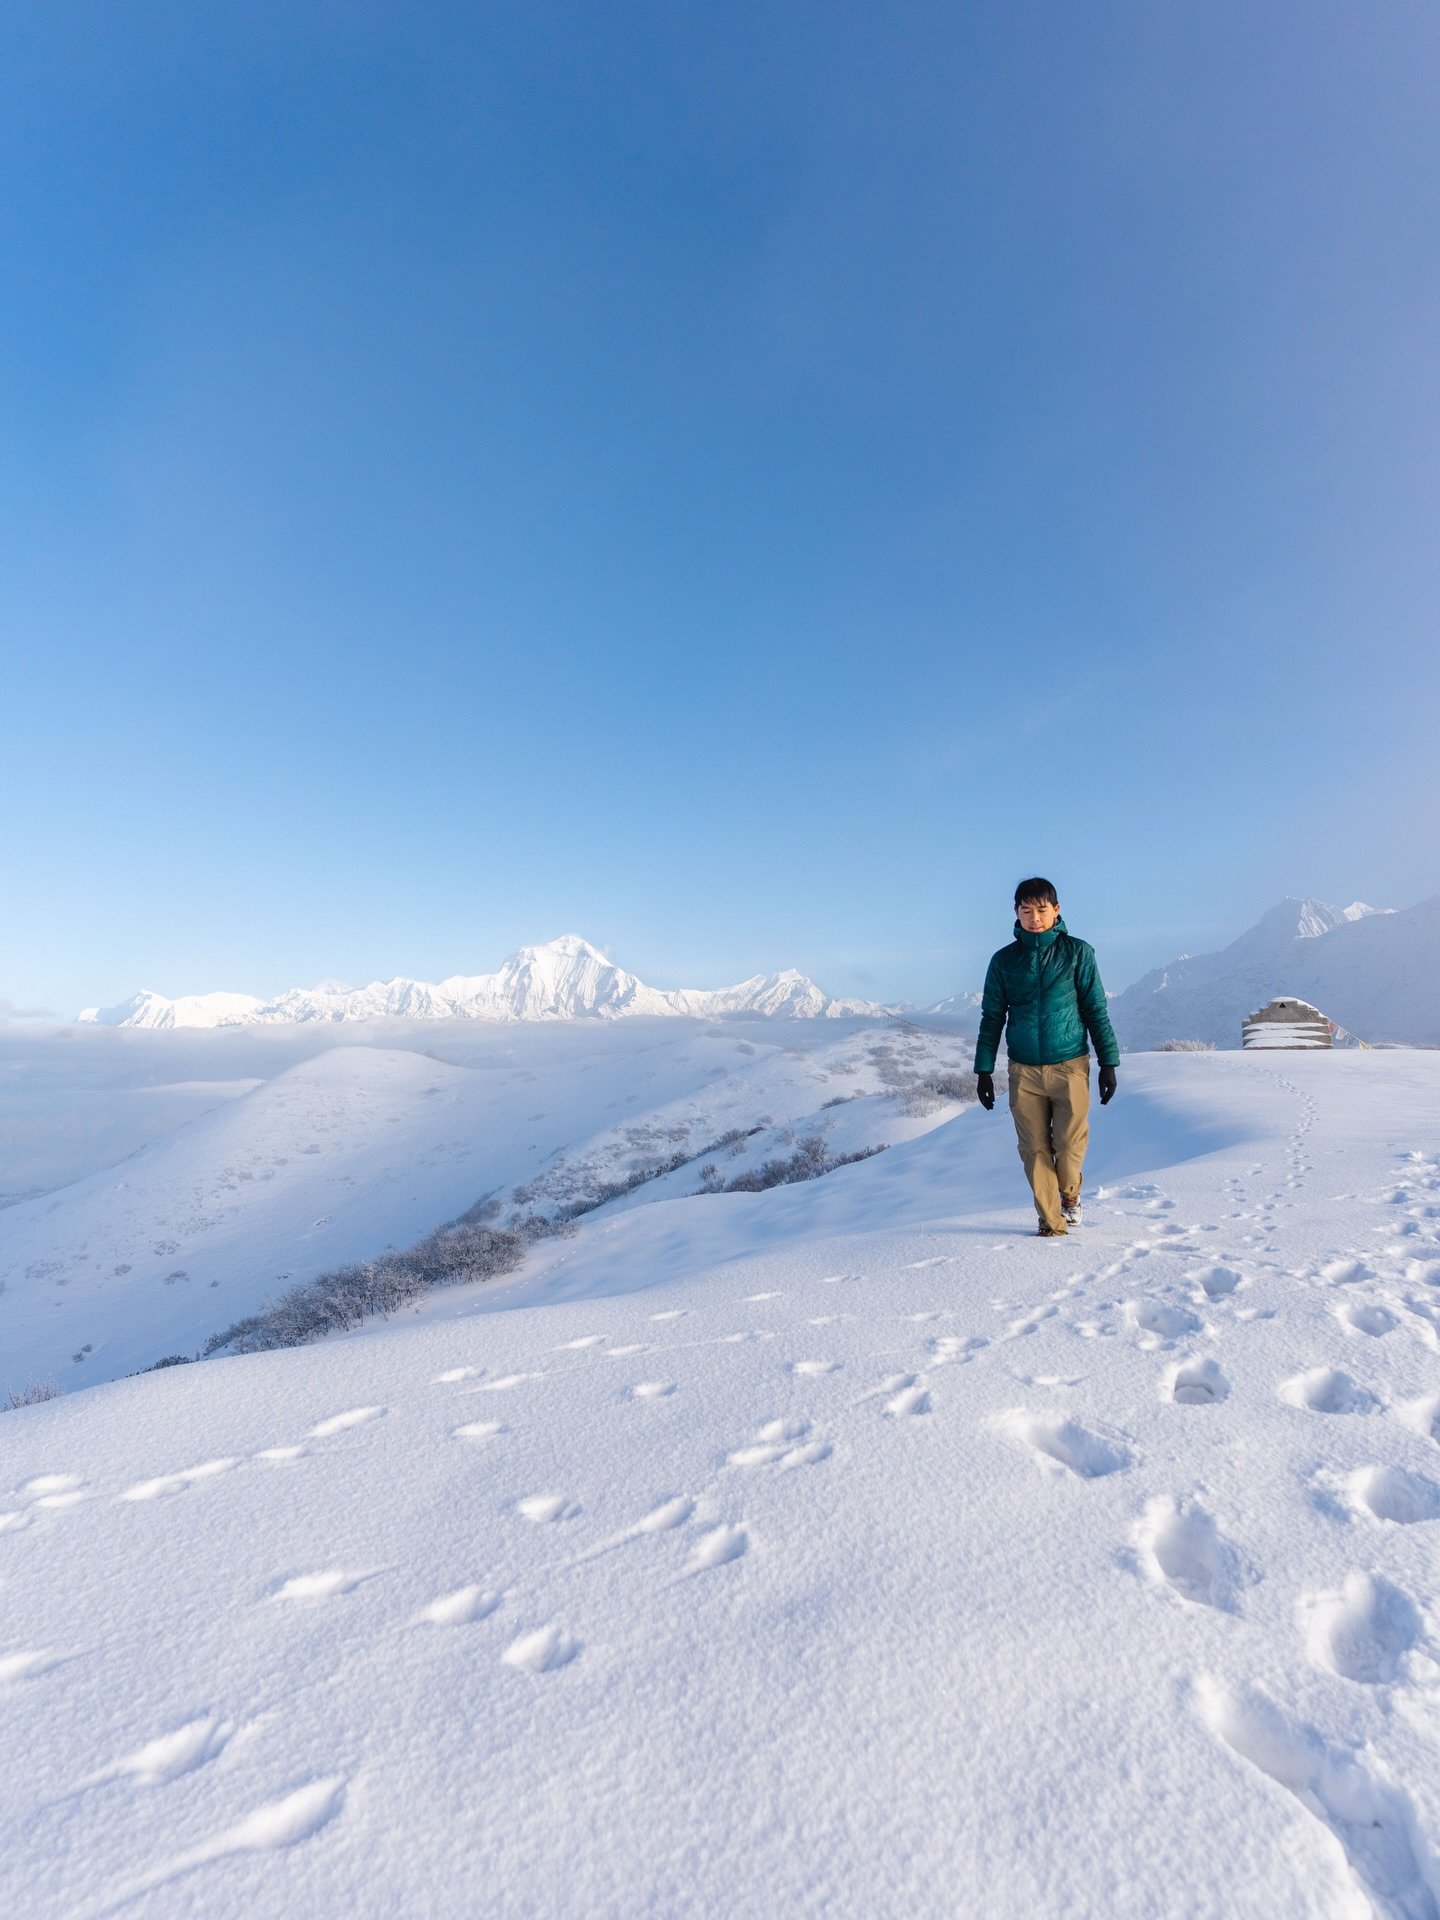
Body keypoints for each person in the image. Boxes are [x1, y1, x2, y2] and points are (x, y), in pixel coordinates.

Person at [972, 878, 1119, 1236]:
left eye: (1041, 909)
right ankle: (1051, 1225)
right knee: (1034, 1150)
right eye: (1026, 910)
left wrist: (1108, 1063)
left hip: (1069, 1064)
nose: (1034, 918)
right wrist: (984, 1070)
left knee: (1068, 1146)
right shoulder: (1003, 961)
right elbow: (992, 1017)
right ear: (1016, 913)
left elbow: (1095, 1009)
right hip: (1023, 1070)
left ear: (1057, 909)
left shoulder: (1078, 953)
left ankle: (1070, 1195)